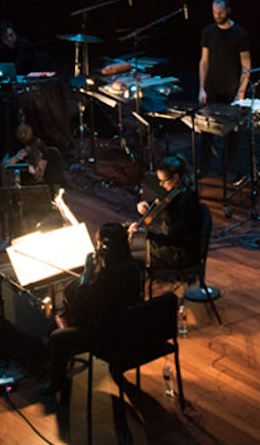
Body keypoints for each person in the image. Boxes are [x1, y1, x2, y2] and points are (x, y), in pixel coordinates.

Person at [43, 221, 145, 401]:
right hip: (132, 330)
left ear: (105, 247)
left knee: (57, 336)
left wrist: (86, 275)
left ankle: (57, 381)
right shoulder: (134, 267)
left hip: (108, 337)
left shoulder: (107, 277)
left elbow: (80, 309)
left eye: (98, 244)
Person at [197, 0, 251, 173]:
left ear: (228, 10)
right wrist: (202, 88)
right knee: (207, 129)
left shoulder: (240, 34)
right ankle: (204, 167)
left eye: (220, 12)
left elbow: (246, 66)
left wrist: (241, 91)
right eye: (214, 12)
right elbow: (204, 61)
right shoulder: (208, 32)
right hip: (212, 86)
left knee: (232, 133)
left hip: (231, 88)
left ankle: (230, 170)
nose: (217, 15)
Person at [127, 156, 202, 271]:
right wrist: (146, 203)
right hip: (170, 243)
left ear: (175, 178)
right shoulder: (178, 190)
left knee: (133, 257)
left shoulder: (185, 203)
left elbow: (172, 239)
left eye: (163, 181)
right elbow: (163, 202)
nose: (161, 185)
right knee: (128, 241)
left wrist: (146, 234)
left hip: (179, 253)